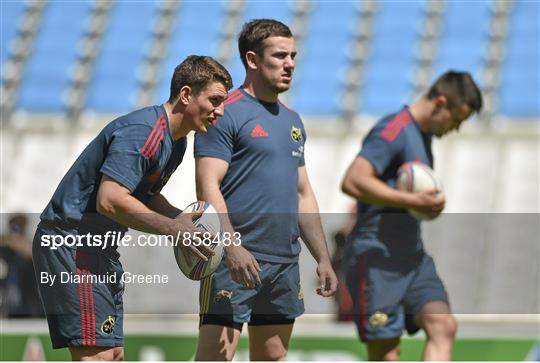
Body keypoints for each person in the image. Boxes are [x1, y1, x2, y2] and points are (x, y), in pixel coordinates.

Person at [32, 55, 232, 361]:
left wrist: (179, 219)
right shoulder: (144, 132)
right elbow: (110, 199)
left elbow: (145, 196)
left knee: (113, 354)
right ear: (186, 94)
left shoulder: (176, 143)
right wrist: (171, 229)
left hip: (99, 249)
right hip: (73, 245)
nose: (220, 111)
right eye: (215, 100)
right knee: (95, 355)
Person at [193, 19, 338, 361]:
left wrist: (323, 258)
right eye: (280, 56)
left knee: (273, 356)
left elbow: (303, 192)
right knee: (215, 357)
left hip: (284, 263)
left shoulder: (293, 121)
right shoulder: (223, 112)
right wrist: (230, 246)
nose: (290, 63)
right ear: (252, 60)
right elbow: (207, 184)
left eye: (293, 56)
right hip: (235, 260)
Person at [341, 71, 482, 361]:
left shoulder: (422, 136)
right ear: (441, 103)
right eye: (457, 119)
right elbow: (353, 180)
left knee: (443, 326)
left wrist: (421, 205)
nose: (455, 128)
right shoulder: (393, 129)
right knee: (386, 352)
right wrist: (411, 199)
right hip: (376, 257)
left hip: (411, 257)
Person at [0, 214, 43, 317]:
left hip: (29, 302)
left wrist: (14, 241)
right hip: (11, 302)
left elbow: (31, 251)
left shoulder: (32, 244)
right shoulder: (7, 248)